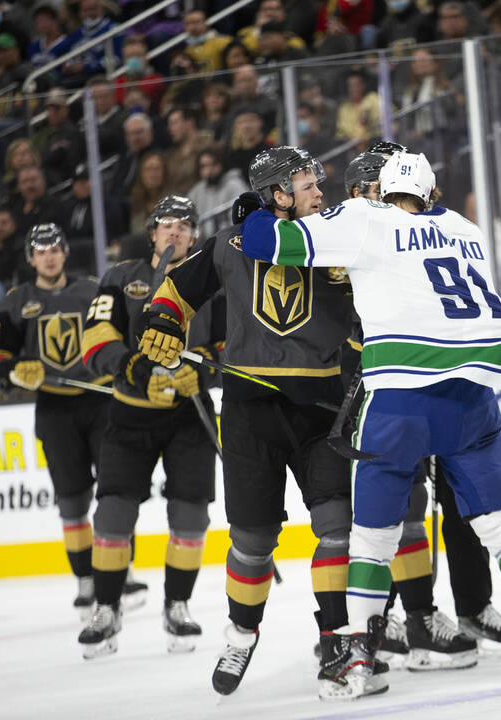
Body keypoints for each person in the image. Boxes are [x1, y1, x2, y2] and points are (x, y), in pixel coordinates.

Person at [237, 150, 501, 700]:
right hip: (473, 399)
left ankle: (361, 654)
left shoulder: (364, 218)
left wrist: (253, 209)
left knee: (372, 541)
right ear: (432, 192)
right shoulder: (465, 228)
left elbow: (268, 244)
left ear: (378, 190)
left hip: (400, 402)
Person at [137, 147, 362, 694]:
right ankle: (241, 635)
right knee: (252, 540)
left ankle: (336, 640)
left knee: (336, 526)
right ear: (277, 195)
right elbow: (174, 292)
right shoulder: (228, 246)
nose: (318, 191)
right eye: (305, 183)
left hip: (323, 412)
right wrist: (163, 322)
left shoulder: (341, 237)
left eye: (315, 181)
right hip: (247, 411)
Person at [77, 195, 225, 659]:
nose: (176, 231)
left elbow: (231, 341)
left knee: (191, 515)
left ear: (196, 235)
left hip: (191, 414)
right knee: (114, 513)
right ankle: (106, 608)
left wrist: (204, 369)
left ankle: (177, 606)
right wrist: (134, 370)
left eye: (185, 225)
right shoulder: (122, 277)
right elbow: (96, 338)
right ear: (153, 233)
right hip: (130, 412)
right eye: (167, 224)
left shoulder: (215, 278)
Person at [0, 224, 110, 617]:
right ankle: (86, 579)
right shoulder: (16, 301)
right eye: (41, 251)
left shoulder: (93, 290)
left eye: (55, 248)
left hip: (101, 400)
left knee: (114, 493)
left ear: (66, 252)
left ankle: (119, 569)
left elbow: (119, 336)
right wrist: (13, 373)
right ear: (30, 258)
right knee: (72, 501)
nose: (49, 256)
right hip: (54, 409)